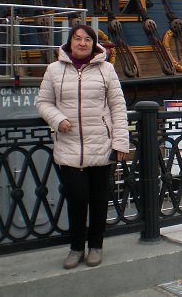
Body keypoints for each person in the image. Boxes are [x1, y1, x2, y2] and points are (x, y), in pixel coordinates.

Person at [36, 24, 129, 269]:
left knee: (99, 199)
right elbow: (43, 102)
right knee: (77, 198)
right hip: (69, 146)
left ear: (93, 44)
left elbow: (118, 107)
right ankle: (76, 247)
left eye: (87, 39)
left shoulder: (106, 70)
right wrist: (57, 119)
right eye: (78, 38)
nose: (82, 43)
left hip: (101, 144)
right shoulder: (54, 70)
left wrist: (120, 142)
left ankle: (96, 245)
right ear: (70, 42)